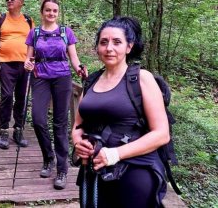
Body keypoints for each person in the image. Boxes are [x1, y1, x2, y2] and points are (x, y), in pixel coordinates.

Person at [72, 16, 170, 207]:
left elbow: (161, 134)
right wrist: (79, 143)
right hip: (95, 172)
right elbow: (78, 125)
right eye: (104, 42)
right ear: (98, 47)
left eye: (117, 42)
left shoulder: (142, 79)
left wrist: (114, 154)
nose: (109, 48)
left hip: (134, 172)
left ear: (129, 47)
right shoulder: (91, 81)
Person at [24, 0, 87, 190]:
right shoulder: (34, 33)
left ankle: (62, 169)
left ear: (58, 13)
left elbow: (74, 58)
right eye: (48, 10)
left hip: (62, 78)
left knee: (60, 124)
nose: (51, 13)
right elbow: (28, 58)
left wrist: (79, 69)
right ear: (42, 12)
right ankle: (48, 158)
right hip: (41, 77)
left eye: (55, 11)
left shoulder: (65, 32)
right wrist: (27, 64)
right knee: (38, 119)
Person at [0, 0, 34, 150]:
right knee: (7, 96)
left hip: (25, 64)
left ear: (21, 1)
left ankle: (19, 130)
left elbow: (33, 42)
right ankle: (4, 130)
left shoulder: (28, 20)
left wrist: (34, 61)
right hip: (5, 63)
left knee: (21, 97)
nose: (9, 1)